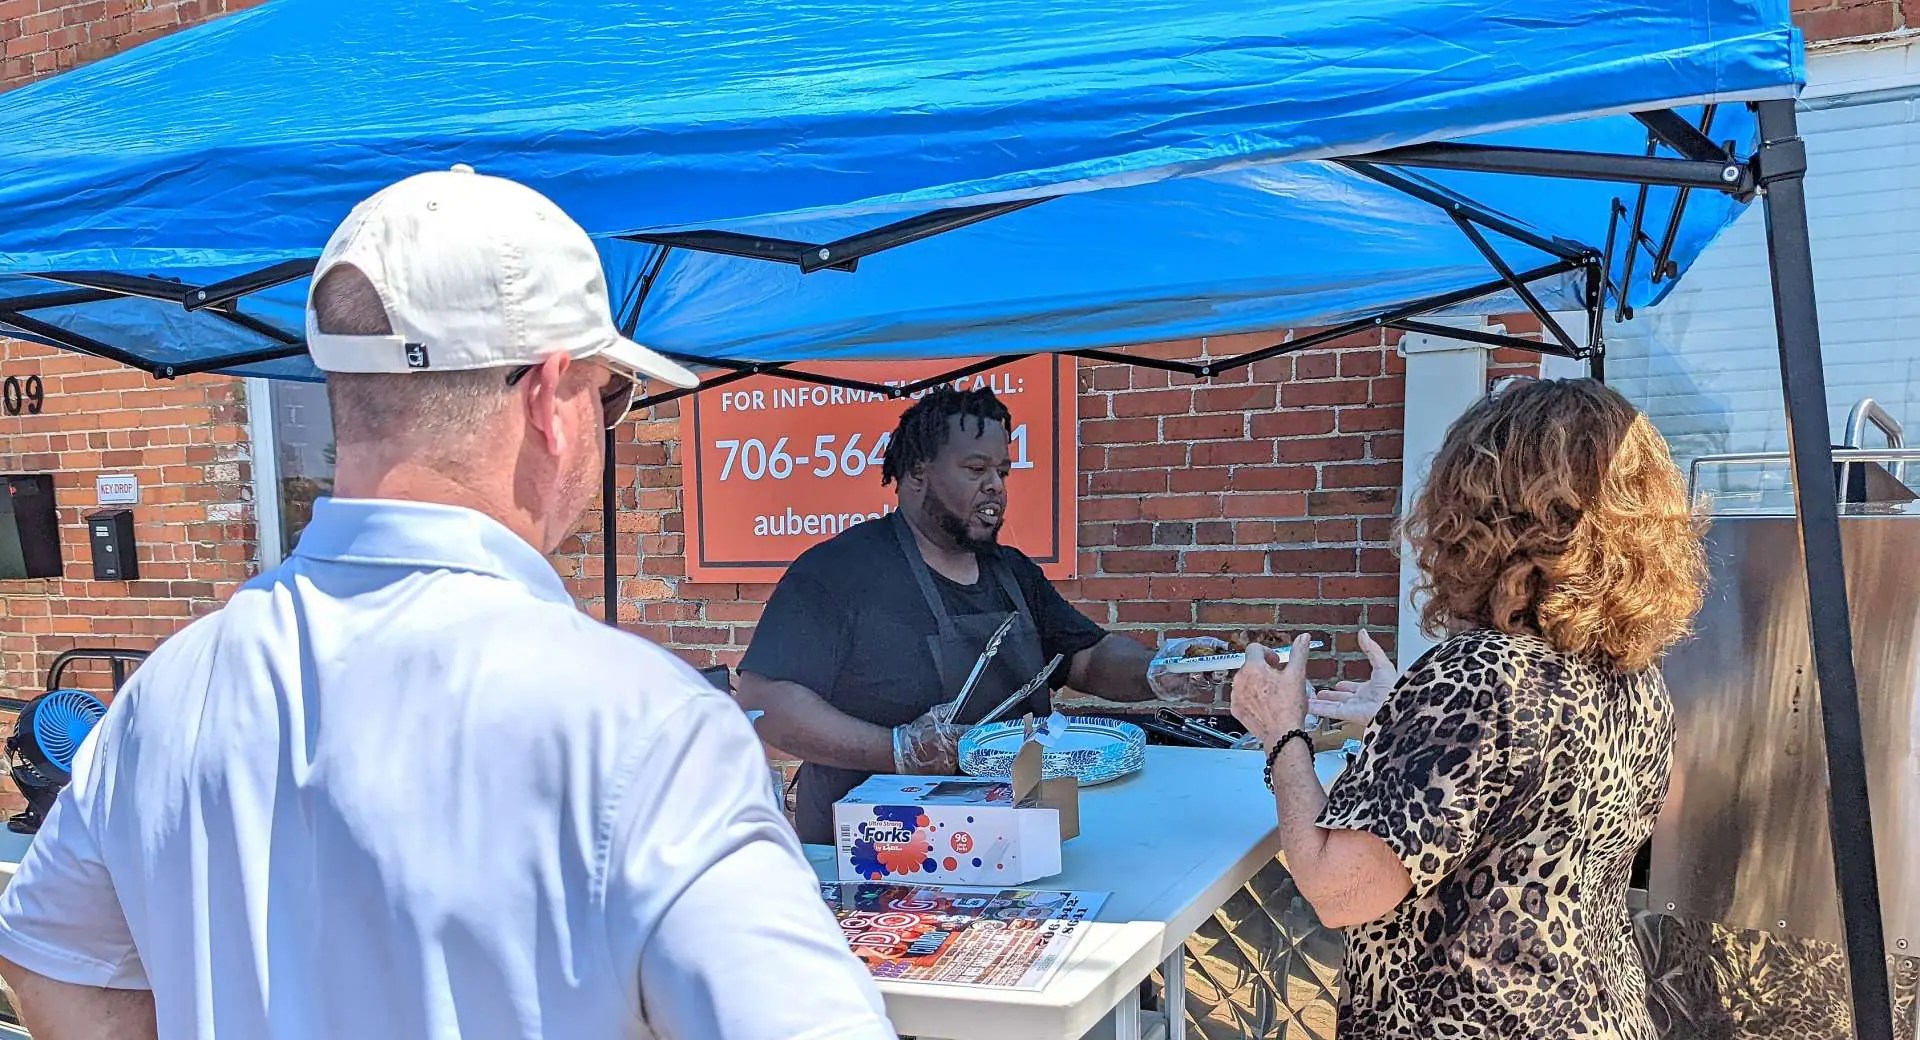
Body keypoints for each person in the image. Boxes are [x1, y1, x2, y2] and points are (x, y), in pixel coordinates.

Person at [0, 166, 894, 1040]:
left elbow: (51, 962)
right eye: (610, 393)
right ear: (550, 399)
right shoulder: (645, 728)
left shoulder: (168, 692)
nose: (605, 423)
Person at [1232, 377, 1706, 1039]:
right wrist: (1405, 718)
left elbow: (1338, 889)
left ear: (1478, 513)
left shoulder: (1480, 672)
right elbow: (1525, 790)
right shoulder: (1633, 675)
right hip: (1601, 1013)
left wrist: (1281, 732)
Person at [738, 385, 1214, 844]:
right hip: (877, 850)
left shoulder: (1012, 572)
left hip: (1013, 836)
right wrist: (899, 750)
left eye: (1002, 472)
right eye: (975, 468)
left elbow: (1084, 658)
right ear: (917, 474)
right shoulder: (837, 572)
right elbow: (766, 704)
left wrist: (1159, 670)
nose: (995, 487)